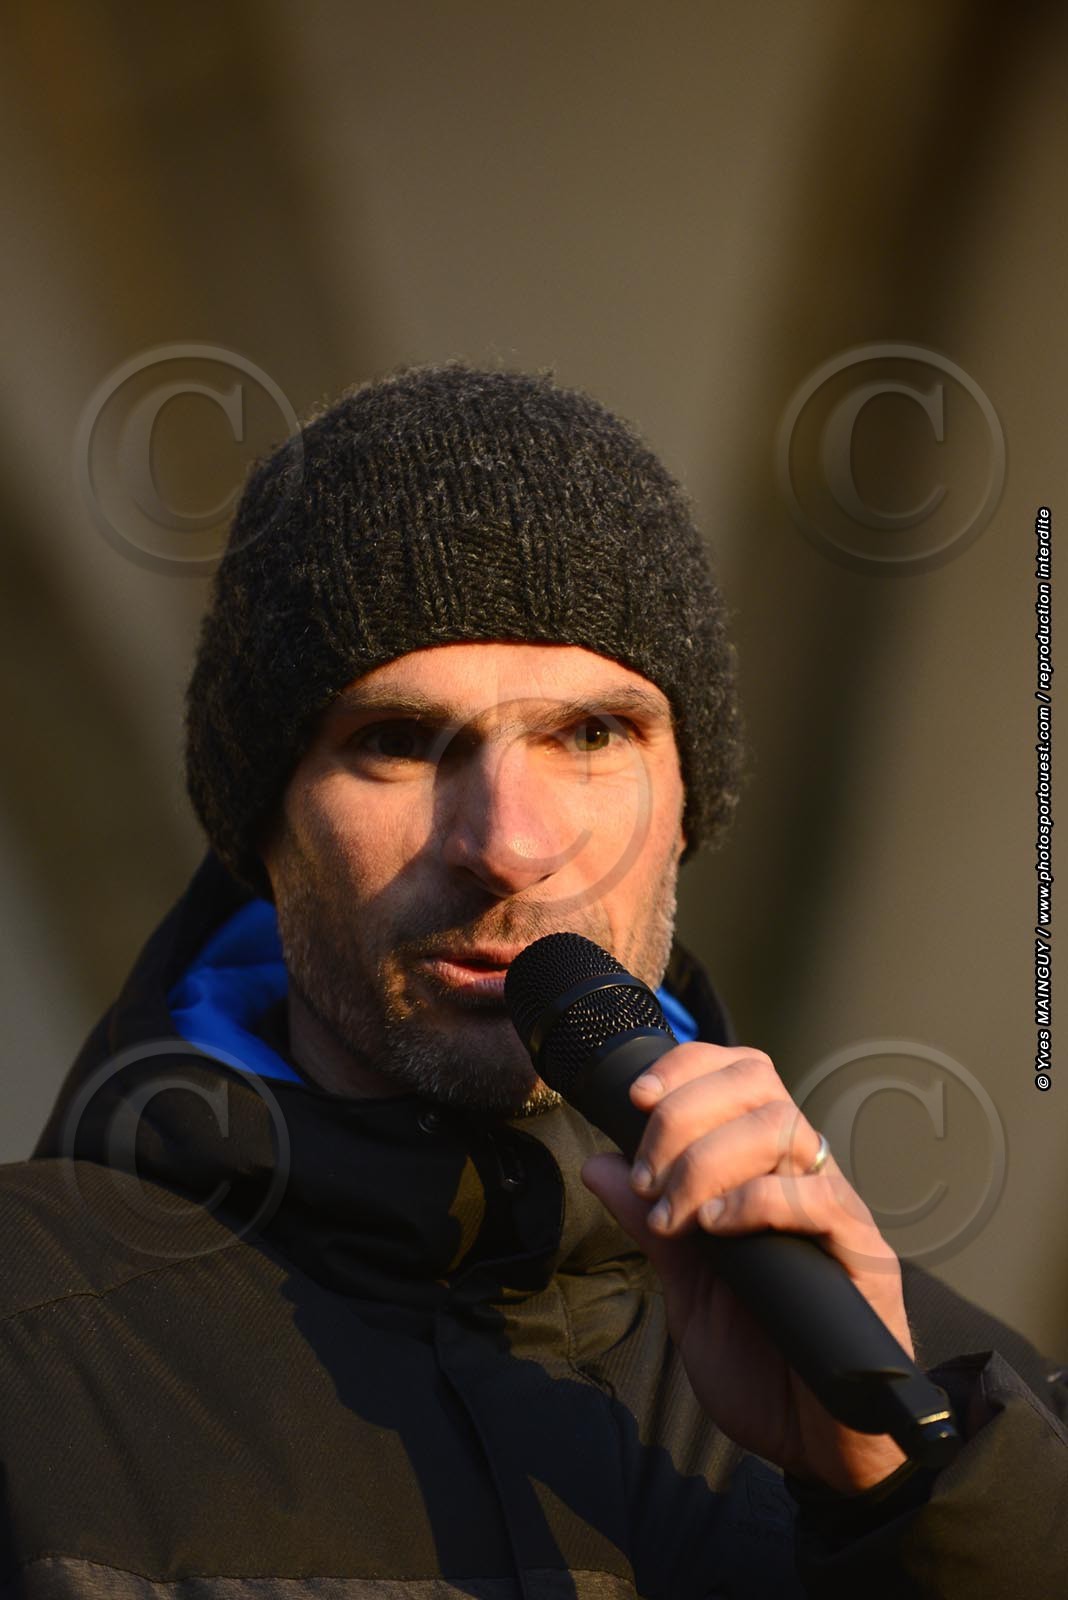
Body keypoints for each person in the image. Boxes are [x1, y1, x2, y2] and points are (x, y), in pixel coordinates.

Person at [7, 363, 1066, 1599]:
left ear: (691, 803)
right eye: (398, 741)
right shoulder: (36, 1353)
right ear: (263, 824)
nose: (508, 844)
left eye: (592, 734)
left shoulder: (975, 1419)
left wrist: (903, 1499)